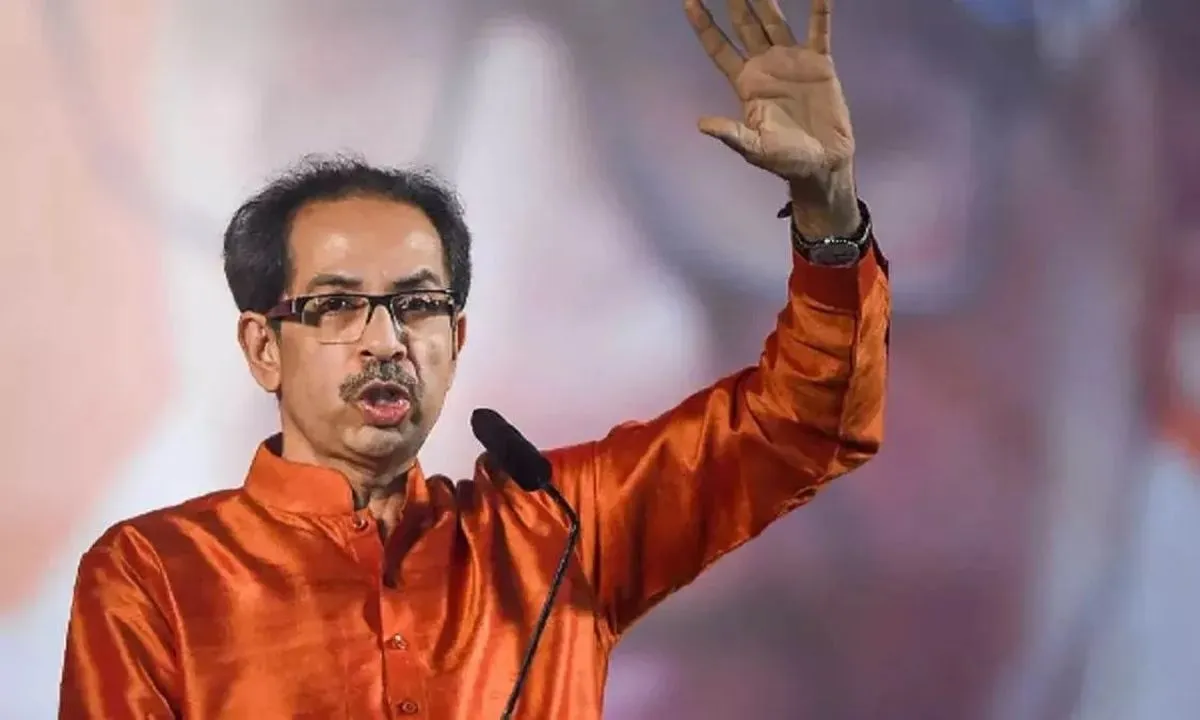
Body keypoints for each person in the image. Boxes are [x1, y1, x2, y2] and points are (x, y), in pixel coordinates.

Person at [58, 1, 890, 717]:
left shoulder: (555, 534)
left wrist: (827, 216)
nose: (385, 343)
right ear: (262, 346)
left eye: (421, 307)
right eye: (339, 306)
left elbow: (802, 424)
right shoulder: (152, 580)